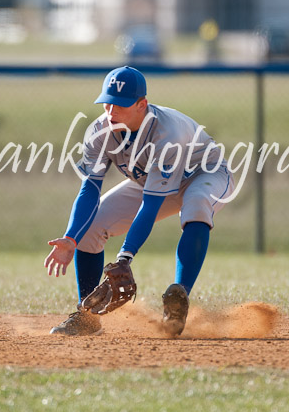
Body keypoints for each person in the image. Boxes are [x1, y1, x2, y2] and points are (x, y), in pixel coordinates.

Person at [44, 66, 234, 336]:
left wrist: (125, 257)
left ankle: (179, 297)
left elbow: (151, 205)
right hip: (152, 182)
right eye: (107, 103)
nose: (111, 112)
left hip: (206, 174)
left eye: (120, 106)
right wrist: (71, 237)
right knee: (92, 227)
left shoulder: (166, 133)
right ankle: (87, 318)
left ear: (141, 105)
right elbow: (90, 188)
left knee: (197, 205)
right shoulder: (99, 132)